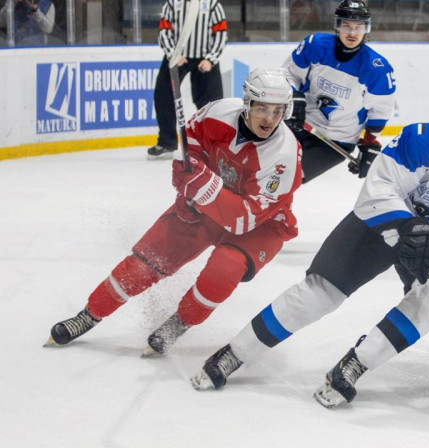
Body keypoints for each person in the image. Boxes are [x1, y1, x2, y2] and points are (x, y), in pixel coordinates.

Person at [189, 81, 429, 408]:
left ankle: (356, 363)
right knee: (319, 291)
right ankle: (236, 351)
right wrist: (406, 224)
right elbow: (377, 191)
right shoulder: (421, 140)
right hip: (393, 217)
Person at [45, 69, 303, 357]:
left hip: (261, 225)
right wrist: (189, 177)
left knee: (224, 268)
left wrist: (203, 184)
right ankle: (89, 314)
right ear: (247, 104)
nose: (269, 119)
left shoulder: (284, 155)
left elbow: (244, 219)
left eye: (278, 111)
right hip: (207, 205)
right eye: (262, 108)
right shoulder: (218, 112)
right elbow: (191, 144)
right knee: (145, 263)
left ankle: (179, 324)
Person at [281, 0, 396, 183]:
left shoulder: (377, 68)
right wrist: (294, 96)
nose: (352, 33)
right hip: (300, 124)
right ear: (337, 26)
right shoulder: (315, 45)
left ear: (367, 29)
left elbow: (380, 111)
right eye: (346, 26)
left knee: (288, 181)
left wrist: (368, 142)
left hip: (337, 142)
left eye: (359, 27)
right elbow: (289, 73)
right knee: (266, 169)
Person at [147, 0, 228, 160]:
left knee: (212, 103)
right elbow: (164, 29)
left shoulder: (212, 4)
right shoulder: (172, 4)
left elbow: (220, 33)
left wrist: (210, 59)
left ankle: (211, 144)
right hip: (177, 57)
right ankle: (166, 142)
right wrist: (173, 54)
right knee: (163, 96)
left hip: (205, 59)